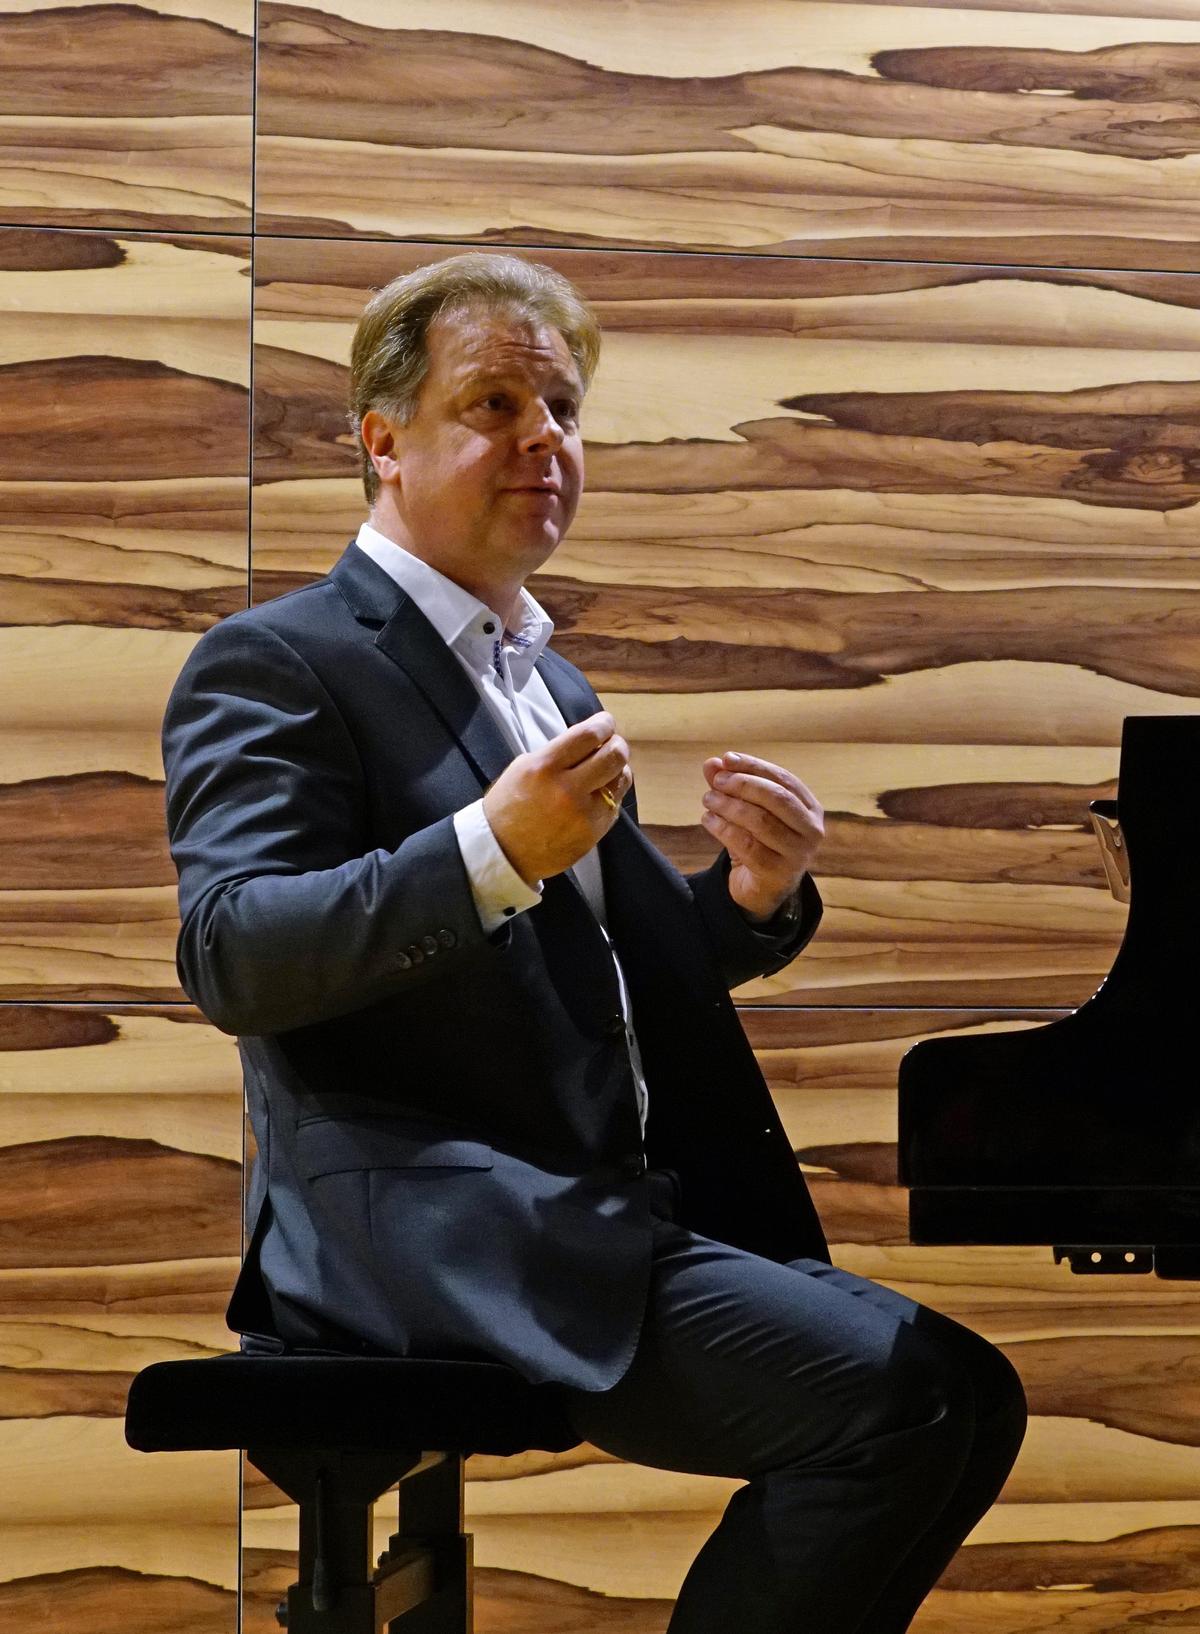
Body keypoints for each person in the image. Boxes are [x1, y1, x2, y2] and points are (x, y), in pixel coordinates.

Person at [162, 251, 1026, 1632]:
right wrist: (490, 847)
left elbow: (585, 966)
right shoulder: (280, 659)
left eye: (562, 409)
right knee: (903, 1398)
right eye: (494, 404)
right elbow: (235, 955)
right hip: (427, 1230)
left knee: (968, 1396)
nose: (544, 439)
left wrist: (748, 899)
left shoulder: (541, 677)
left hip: (576, 1207)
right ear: (382, 441)